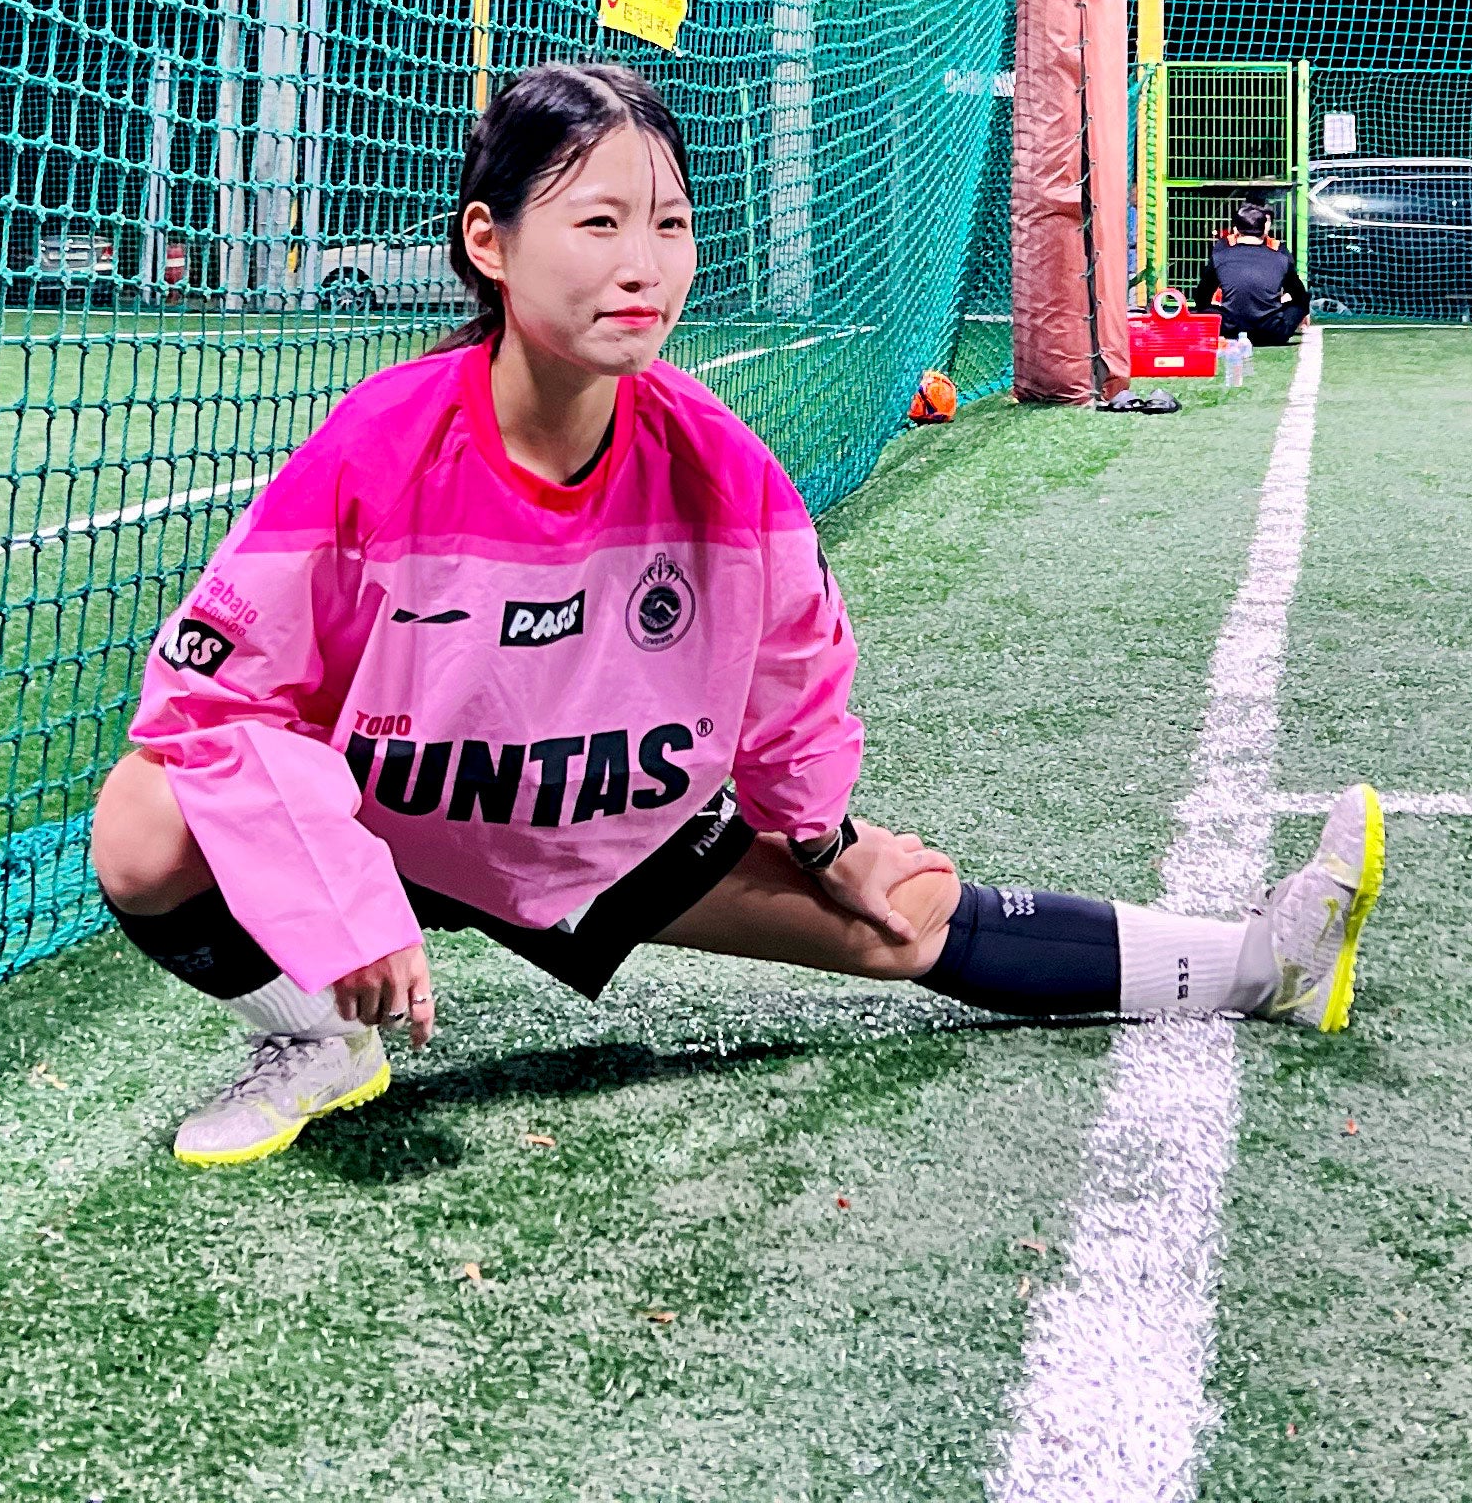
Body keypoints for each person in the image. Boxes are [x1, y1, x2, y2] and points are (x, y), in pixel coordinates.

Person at [87, 60, 1389, 1167]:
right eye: (597, 224)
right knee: (142, 825)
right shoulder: (379, 449)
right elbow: (208, 706)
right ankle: (318, 1041)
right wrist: (337, 907)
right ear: (487, 241)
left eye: (669, 224)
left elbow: (792, 682)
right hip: (386, 816)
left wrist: (827, 844)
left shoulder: (718, 468)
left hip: (601, 825)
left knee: (908, 919)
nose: (644, 266)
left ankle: (1261, 962)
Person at [1206, 196, 1313, 349]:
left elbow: (1202, 294)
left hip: (1231, 327)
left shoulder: (1278, 248)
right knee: (1301, 300)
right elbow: (1298, 294)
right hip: (1269, 330)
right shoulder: (1224, 246)